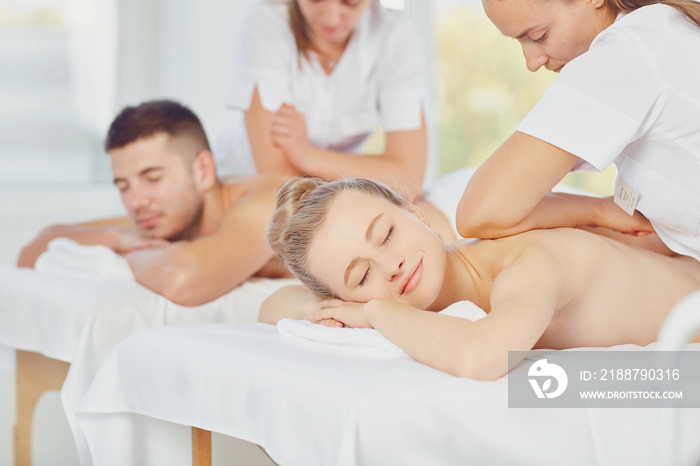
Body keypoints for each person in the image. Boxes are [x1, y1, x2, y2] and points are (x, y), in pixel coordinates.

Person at [262, 177, 700, 380]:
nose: (390, 265)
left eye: (388, 234)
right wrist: (321, 309)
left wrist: (374, 310)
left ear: (416, 213)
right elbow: (272, 305)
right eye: (360, 277)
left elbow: (481, 356)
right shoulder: (441, 284)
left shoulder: (526, 264)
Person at [456, 0, 700, 262]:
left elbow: (478, 214)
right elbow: (663, 233)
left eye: (538, 36)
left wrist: (595, 210)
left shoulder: (624, 52)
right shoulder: (665, 25)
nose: (531, 62)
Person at [17, 100, 293, 306]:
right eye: (123, 186)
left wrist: (128, 255)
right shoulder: (162, 216)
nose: (136, 201)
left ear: (203, 171)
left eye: (152, 178)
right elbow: (34, 251)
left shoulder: (269, 202)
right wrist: (119, 239)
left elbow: (181, 280)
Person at [218, 0, 429, 196]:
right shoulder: (265, 22)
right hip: (250, 185)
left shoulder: (396, 36)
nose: (331, 18)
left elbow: (408, 181)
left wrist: (307, 156)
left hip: (336, 195)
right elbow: (279, 179)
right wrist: (374, 174)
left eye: (350, 1)